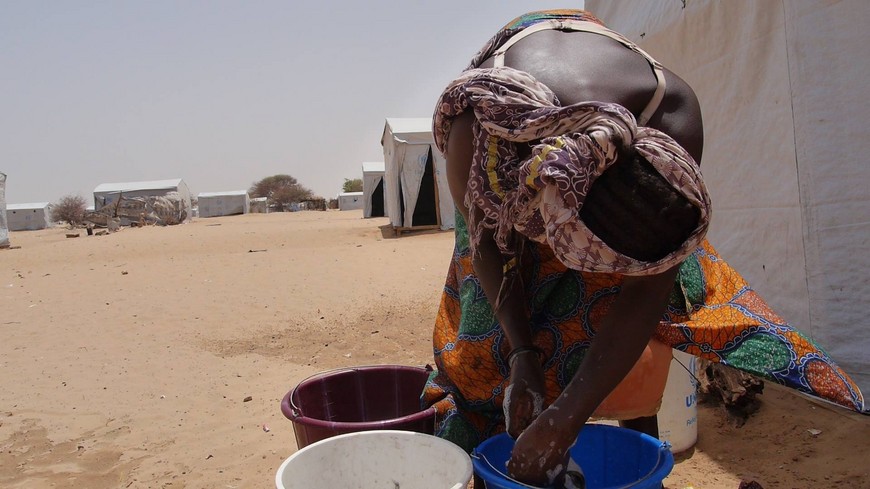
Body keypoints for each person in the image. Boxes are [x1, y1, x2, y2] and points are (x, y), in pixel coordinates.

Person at [422, 9, 866, 487]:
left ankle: (638, 447)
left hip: (601, 169)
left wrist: (568, 417)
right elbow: (488, 247)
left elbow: (647, 290)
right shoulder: (484, 127)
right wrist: (522, 353)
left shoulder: (673, 113)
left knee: (656, 328)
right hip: (515, 168)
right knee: (480, 355)